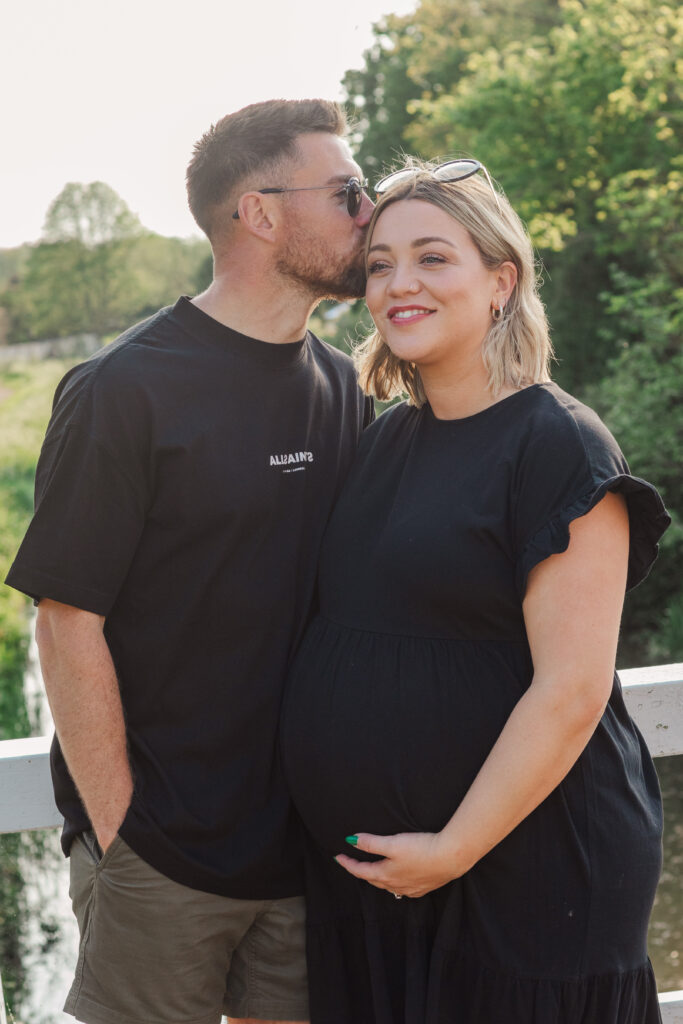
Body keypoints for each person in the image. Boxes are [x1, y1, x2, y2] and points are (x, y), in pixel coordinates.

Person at [5, 98, 375, 1024]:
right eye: (347, 193)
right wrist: (124, 830)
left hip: (303, 855)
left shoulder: (342, 389)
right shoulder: (124, 390)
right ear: (259, 212)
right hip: (161, 858)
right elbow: (64, 617)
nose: (368, 214)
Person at [280, 159, 671, 1024]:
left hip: (524, 876)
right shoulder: (379, 443)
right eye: (378, 264)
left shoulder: (557, 445)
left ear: (501, 280)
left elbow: (570, 691)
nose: (398, 284)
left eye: (431, 258)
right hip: (378, 890)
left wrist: (451, 848)